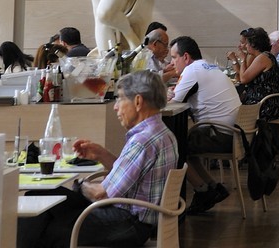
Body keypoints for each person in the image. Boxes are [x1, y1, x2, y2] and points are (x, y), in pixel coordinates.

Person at [26, 70, 179, 248]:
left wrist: (81, 185)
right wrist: (101, 154)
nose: (115, 107)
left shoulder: (143, 141)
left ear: (138, 101)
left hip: (126, 224)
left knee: (43, 226)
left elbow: (101, 194)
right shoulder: (163, 133)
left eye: (120, 99)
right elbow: (131, 177)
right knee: (41, 196)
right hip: (137, 220)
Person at [169, 36, 240, 214]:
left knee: (173, 150)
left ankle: (203, 191)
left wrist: (166, 94)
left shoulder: (192, 70)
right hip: (235, 135)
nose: (172, 62)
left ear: (186, 57)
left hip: (219, 136)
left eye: (174, 57)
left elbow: (173, 102)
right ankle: (211, 187)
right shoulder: (209, 66)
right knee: (186, 147)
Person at [229, 27, 279, 118]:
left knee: (229, 111)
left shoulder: (263, 57)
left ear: (253, 44)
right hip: (263, 101)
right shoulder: (263, 56)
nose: (246, 46)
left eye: (247, 43)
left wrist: (242, 59)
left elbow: (243, 79)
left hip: (266, 106)